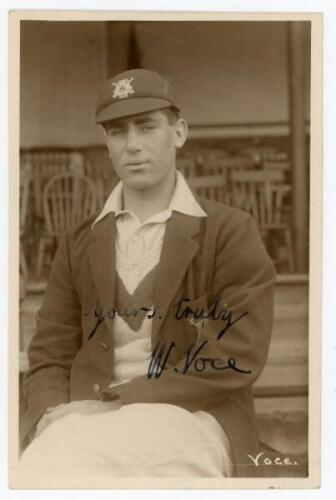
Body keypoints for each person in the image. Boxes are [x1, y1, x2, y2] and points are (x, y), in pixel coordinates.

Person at [19, 69, 276, 478]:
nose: (133, 145)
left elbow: (234, 357)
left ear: (179, 132)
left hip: (193, 417)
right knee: (43, 466)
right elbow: (50, 355)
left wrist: (115, 402)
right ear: (106, 144)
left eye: (147, 127)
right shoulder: (79, 241)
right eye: (118, 132)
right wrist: (50, 416)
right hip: (82, 422)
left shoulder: (228, 231)